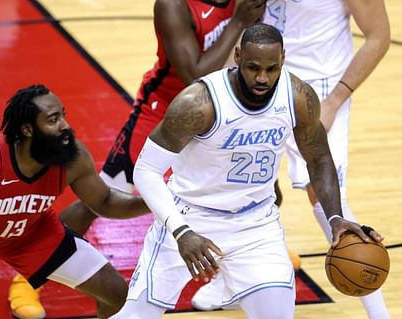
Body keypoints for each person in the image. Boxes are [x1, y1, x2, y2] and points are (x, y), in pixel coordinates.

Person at [8, 1, 269, 318]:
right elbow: (194, 75)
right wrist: (239, 22)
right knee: (100, 197)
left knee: (237, 187)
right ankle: (27, 276)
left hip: (219, 113)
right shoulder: (174, 6)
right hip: (161, 114)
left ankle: (249, 265)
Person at [108, 23, 385, 319]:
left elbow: (319, 159)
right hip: (191, 217)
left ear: (283, 59)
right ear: (238, 56)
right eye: (253, 67)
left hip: (255, 226)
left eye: (271, 68)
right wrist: (180, 230)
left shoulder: (298, 98)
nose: (262, 78)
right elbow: (147, 170)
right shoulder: (199, 103)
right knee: (136, 316)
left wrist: (335, 217)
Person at [191, 1, 392, 317]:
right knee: (238, 182)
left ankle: (378, 312)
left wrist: (335, 100)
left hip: (320, 88)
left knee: (323, 195)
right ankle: (229, 278)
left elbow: (379, 36)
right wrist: (223, 84)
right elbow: (247, 20)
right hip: (260, 79)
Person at [0, 84, 151, 319]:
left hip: (31, 233)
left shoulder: (71, 156)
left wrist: (152, 201)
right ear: (27, 129)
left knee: (117, 293)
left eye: (63, 115)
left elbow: (105, 201)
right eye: (53, 120)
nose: (65, 125)